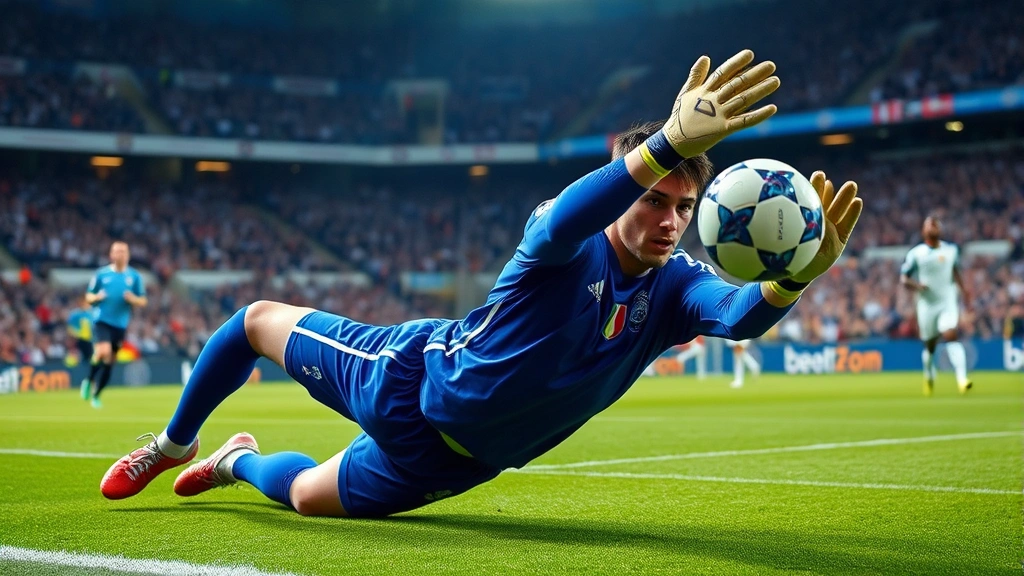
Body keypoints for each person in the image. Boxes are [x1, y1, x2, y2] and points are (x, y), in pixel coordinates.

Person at [99, 50, 863, 518]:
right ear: (628, 189)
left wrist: (795, 278)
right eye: (655, 198)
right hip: (410, 380)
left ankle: (234, 459)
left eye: (684, 208)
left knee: (306, 498)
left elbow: (736, 316)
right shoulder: (564, 241)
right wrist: (663, 145)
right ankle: (174, 440)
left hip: (456, 461)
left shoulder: (675, 290)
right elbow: (568, 216)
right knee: (255, 319)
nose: (668, 219)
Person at [900, 214, 972, 396]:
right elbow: (904, 278)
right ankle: (929, 375)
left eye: (936, 224)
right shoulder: (916, 253)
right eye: (928, 224)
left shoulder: (951, 251)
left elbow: (956, 272)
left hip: (947, 301)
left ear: (940, 230)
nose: (932, 226)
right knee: (930, 346)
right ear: (923, 231)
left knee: (951, 334)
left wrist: (965, 292)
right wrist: (917, 286)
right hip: (927, 305)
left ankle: (962, 380)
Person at [82, 241, 147, 408]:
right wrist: (97, 298)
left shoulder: (134, 276)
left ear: (128, 255)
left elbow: (143, 300)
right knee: (103, 351)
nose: (119, 254)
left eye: (123, 251)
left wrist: (133, 299)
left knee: (110, 361)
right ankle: (89, 380)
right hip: (102, 320)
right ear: (111, 255)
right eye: (116, 251)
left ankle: (96, 395)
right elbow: (88, 296)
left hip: (120, 325)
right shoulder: (101, 274)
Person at [67, 296, 96, 387]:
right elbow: (70, 328)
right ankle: (81, 380)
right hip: (80, 340)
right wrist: (77, 335)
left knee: (89, 361)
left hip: (90, 340)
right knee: (81, 360)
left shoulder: (91, 314)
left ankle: (89, 380)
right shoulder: (76, 314)